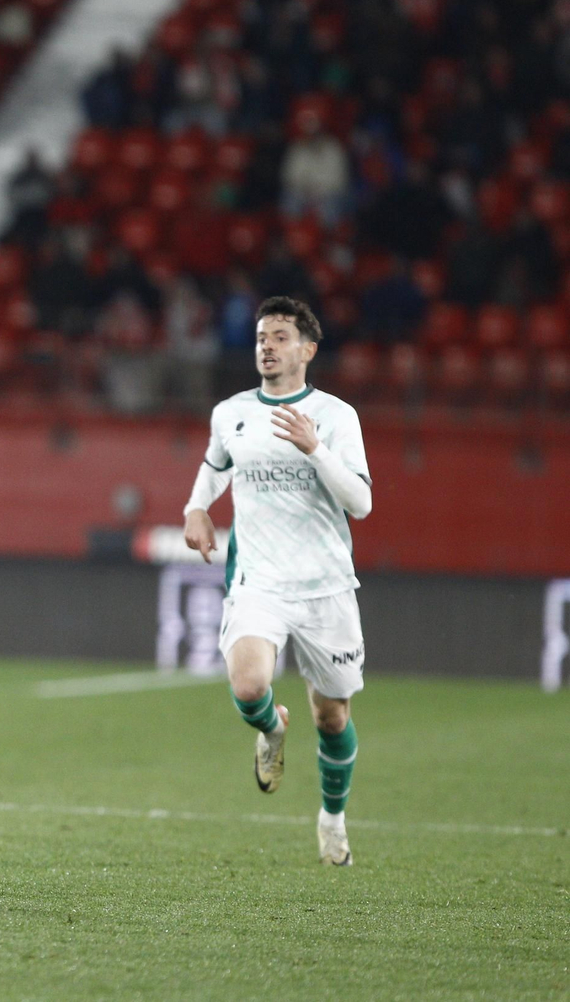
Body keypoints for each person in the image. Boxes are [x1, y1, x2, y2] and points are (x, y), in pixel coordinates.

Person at [182, 297, 371, 866]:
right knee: (248, 686)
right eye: (263, 336)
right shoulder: (232, 413)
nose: (267, 345)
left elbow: (361, 503)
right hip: (258, 580)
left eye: (281, 337)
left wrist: (316, 449)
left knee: (332, 717)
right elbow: (215, 465)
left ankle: (332, 818)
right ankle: (271, 730)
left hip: (326, 586)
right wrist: (196, 508)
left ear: (307, 350)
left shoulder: (337, 417)